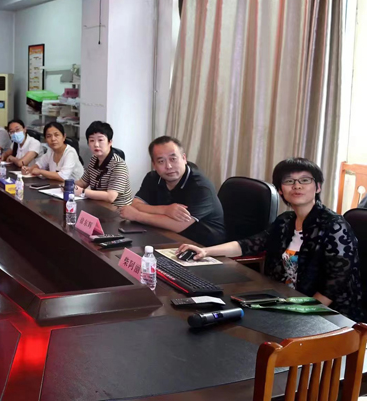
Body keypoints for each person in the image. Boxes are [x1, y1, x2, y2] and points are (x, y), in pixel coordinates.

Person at [177, 158, 364, 321]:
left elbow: (336, 283)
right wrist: (206, 251)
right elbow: (251, 244)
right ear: (280, 190)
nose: (297, 186)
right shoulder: (286, 221)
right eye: (289, 181)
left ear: (318, 187)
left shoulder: (334, 226)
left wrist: (302, 313)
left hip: (326, 314)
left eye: (305, 180)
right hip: (284, 301)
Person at [120, 136, 225, 246]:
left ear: (184, 158)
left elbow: (177, 225)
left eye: (173, 159)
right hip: (166, 237)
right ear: (154, 165)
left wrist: (137, 216)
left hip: (203, 247)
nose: (169, 166)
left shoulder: (201, 187)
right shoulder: (152, 178)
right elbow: (136, 204)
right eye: (161, 161)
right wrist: (165, 210)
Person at [74, 122, 133, 207]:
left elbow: (110, 197)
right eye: (92, 140)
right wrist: (68, 185)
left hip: (118, 210)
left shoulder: (118, 165)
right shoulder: (94, 159)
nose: (96, 144)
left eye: (100, 140)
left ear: (110, 142)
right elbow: (83, 182)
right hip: (98, 206)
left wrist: (82, 192)